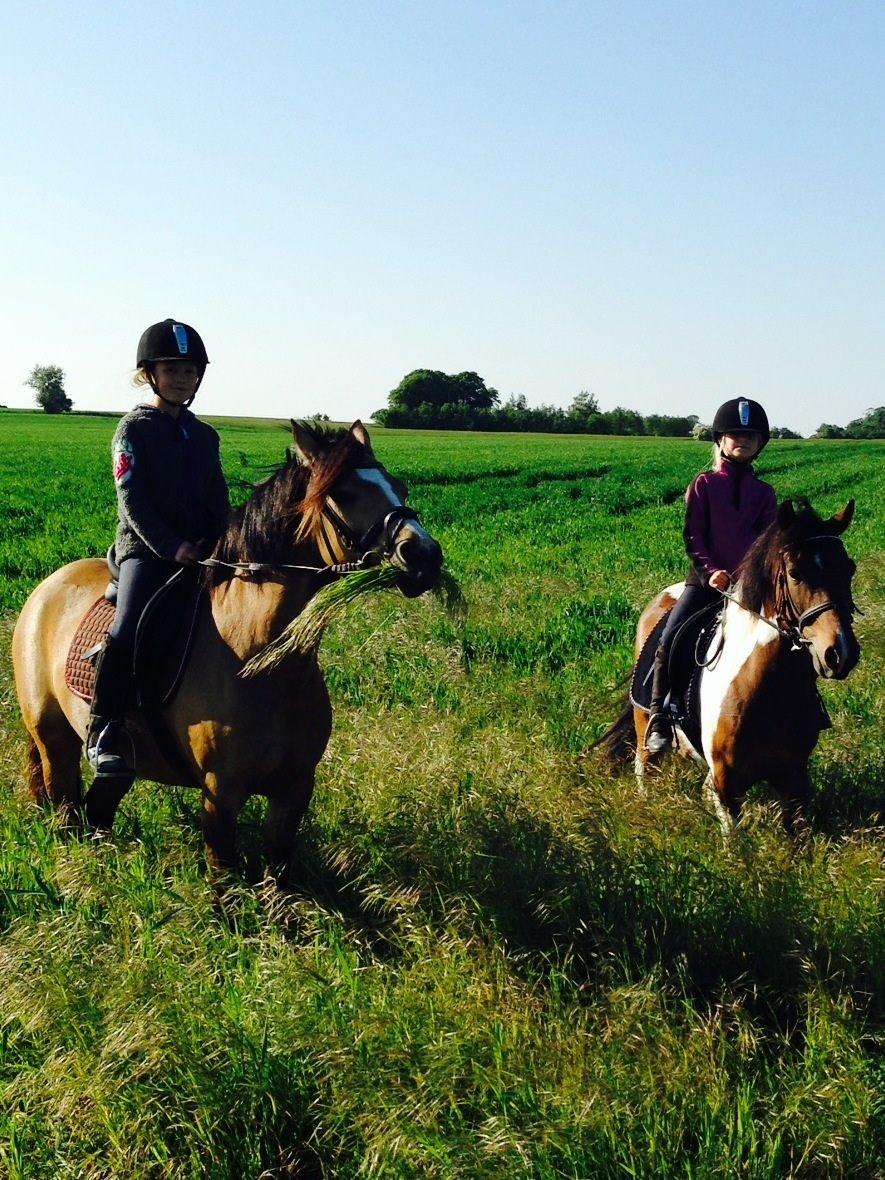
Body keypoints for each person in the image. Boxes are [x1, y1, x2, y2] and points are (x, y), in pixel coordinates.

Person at [86, 319, 231, 775]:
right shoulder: (133, 429)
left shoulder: (205, 436)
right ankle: (104, 728)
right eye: (171, 370)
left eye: (190, 371)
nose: (182, 379)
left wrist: (221, 538)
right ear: (149, 374)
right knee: (128, 627)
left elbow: (217, 496)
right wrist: (172, 547)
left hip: (202, 549)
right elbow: (132, 501)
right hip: (146, 552)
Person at [644, 398, 777, 755]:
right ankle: (659, 716)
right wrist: (712, 572)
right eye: (735, 434)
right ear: (720, 439)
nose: (742, 440)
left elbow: (766, 543)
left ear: (760, 443)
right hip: (706, 583)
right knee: (671, 637)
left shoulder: (765, 494)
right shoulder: (704, 485)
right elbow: (694, 537)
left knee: (791, 637)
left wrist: (749, 578)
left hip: (749, 588)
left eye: (750, 435)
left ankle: (801, 713)